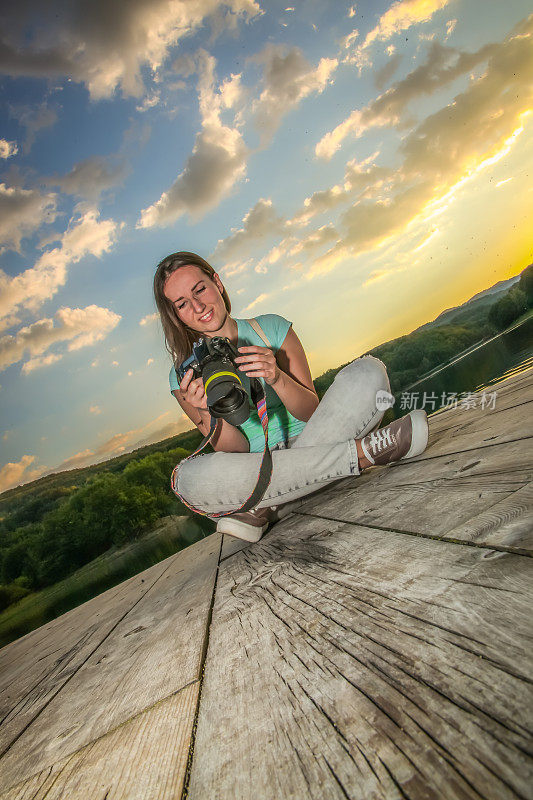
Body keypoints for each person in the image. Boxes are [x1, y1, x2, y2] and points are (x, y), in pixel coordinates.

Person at [153, 252, 429, 543]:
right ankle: (363, 453)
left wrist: (276, 377)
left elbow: (311, 410)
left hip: (312, 441)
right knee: (186, 478)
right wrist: (208, 413)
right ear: (176, 315)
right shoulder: (184, 376)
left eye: (200, 289)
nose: (197, 306)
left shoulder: (271, 328)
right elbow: (234, 449)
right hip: (253, 467)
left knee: (368, 371)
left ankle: (270, 503)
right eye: (182, 304)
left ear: (217, 283)